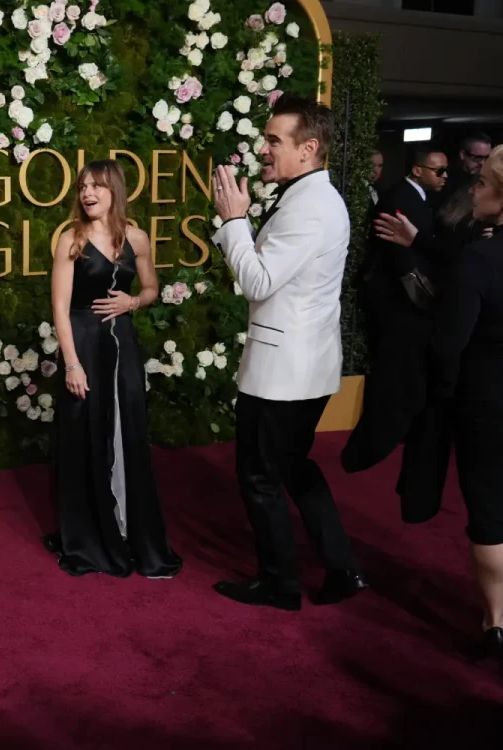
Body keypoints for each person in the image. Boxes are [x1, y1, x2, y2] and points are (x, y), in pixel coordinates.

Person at [374, 140, 503, 659]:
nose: (475, 192)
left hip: (490, 408)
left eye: (485, 184)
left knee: (491, 515)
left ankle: (495, 622)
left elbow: (449, 343)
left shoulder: (481, 260)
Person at [210, 94, 367, 611]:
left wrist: (234, 221)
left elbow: (258, 281)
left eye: (274, 140)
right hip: (304, 364)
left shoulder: (312, 207)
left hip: (283, 373)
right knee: (294, 468)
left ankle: (280, 585)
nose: (263, 149)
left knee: (260, 476)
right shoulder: (310, 198)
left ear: (310, 148)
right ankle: (342, 568)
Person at [42, 159, 182, 579]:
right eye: (83, 187)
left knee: (127, 432)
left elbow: (152, 288)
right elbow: (60, 309)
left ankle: (129, 530)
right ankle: (89, 534)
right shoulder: (71, 240)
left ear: (114, 191)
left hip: (123, 346)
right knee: (85, 434)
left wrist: (133, 302)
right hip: (83, 344)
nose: (87, 193)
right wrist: (71, 363)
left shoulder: (136, 237)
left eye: (97, 186)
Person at [343, 146, 451, 524]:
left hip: (406, 310)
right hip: (400, 308)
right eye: (438, 171)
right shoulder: (400, 198)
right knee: (394, 375)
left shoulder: (418, 197)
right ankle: (379, 436)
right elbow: (403, 263)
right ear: (418, 170)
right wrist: (429, 303)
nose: (444, 177)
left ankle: (386, 431)